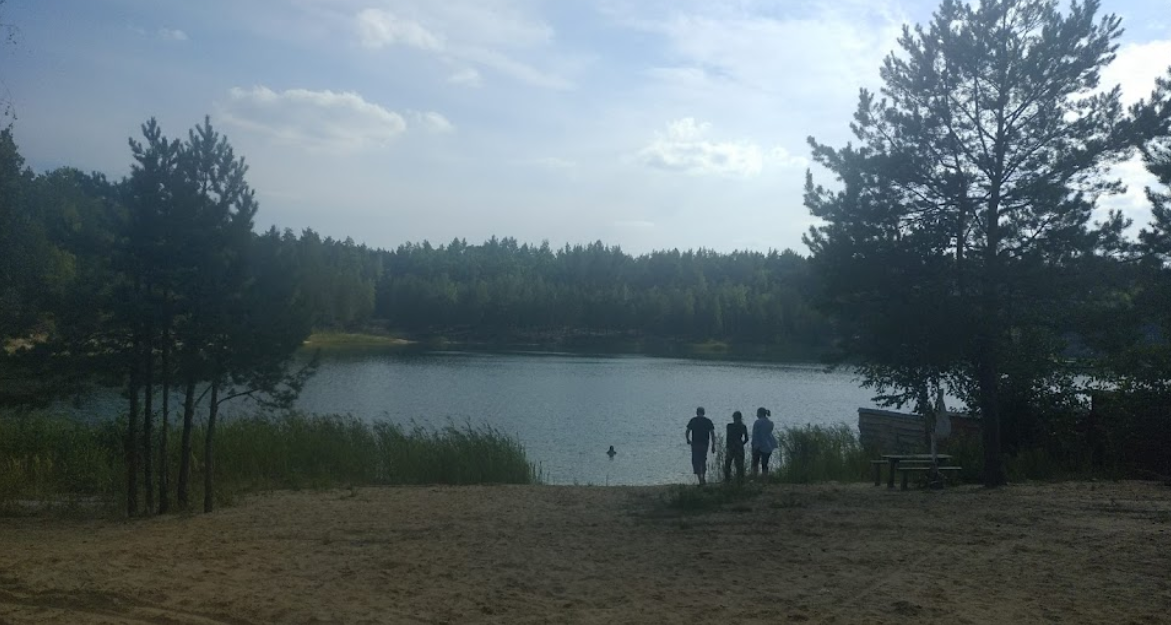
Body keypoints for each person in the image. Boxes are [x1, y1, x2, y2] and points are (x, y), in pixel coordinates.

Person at [685, 407, 716, 485]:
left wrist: (688, 439)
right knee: (703, 460)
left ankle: (700, 479)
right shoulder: (708, 421)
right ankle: (703, 478)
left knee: (696, 461)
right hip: (704, 444)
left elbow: (687, 431)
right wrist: (713, 445)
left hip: (695, 443)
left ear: (697, 412)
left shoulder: (693, 420)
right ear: (704, 412)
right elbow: (712, 433)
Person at [751, 407, 777, 477]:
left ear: (760, 413)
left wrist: (754, 445)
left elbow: (755, 434)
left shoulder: (757, 422)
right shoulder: (770, 423)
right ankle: (765, 477)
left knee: (755, 463)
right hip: (768, 445)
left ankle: (755, 476)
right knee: (765, 464)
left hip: (758, 445)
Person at [724, 410, 749, 484]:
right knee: (740, 465)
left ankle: (727, 479)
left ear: (733, 418)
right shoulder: (743, 426)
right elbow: (746, 439)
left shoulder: (729, 426)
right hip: (739, 446)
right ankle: (740, 480)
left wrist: (727, 447)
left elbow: (728, 437)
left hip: (731, 446)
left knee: (728, 463)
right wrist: (741, 444)